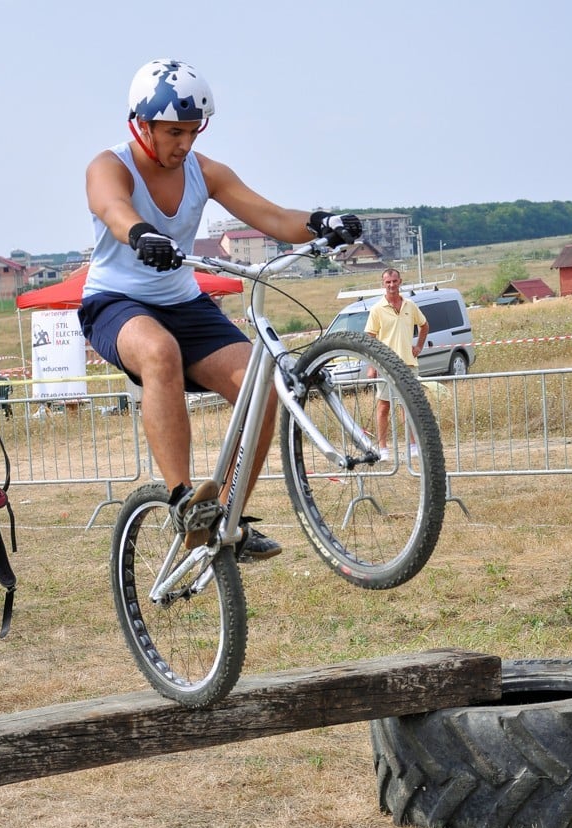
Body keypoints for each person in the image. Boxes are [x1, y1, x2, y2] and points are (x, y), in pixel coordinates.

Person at [78, 58, 362, 559]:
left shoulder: (205, 171)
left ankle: (225, 520)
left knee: (263, 389)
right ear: (141, 125)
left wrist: (322, 220)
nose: (185, 143)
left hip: (185, 303)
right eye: (173, 132)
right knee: (159, 352)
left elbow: (272, 216)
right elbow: (112, 207)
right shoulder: (110, 164)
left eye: (193, 131)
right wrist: (141, 233)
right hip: (116, 303)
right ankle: (183, 499)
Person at [364, 267, 429, 460]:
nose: (392, 285)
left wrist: (418, 346)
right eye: (388, 282)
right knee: (384, 407)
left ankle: (413, 444)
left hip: (408, 363)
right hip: (385, 364)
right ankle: (383, 448)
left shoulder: (410, 305)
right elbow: (370, 337)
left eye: (394, 281)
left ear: (400, 282)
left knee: (408, 405)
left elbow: (424, 325)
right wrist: (372, 365)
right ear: (383, 284)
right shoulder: (377, 309)